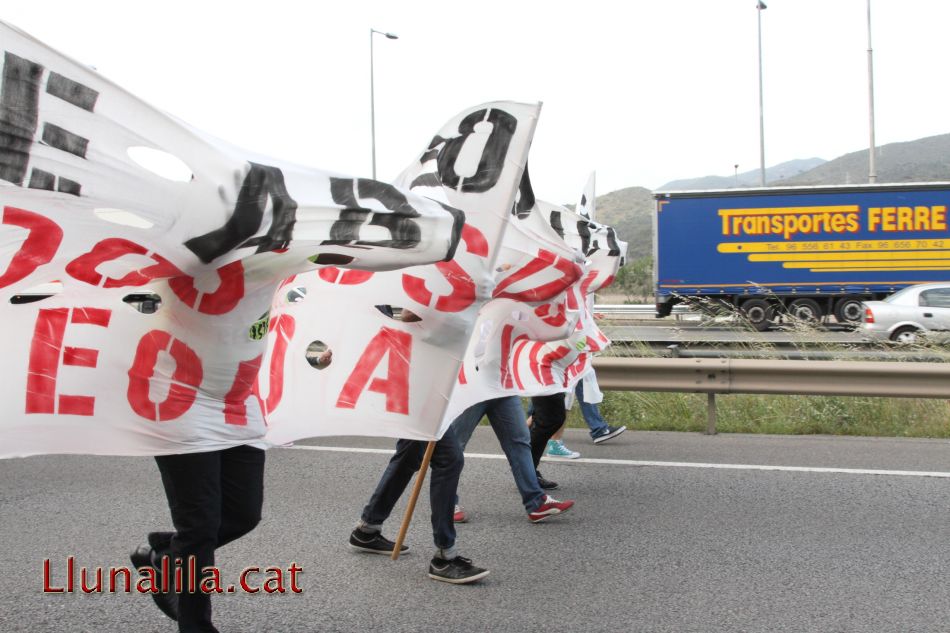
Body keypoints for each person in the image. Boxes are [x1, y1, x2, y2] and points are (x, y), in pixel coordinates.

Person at [130, 444, 265, 633]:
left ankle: (164, 558)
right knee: (199, 530)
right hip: (186, 426)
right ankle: (196, 627)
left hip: (239, 423)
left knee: (243, 515)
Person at [348, 423, 490, 585]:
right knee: (448, 459)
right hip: (425, 404)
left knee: (410, 455)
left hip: (426, 403)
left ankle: (367, 530)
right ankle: (445, 558)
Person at [453, 396, 574, 519]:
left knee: (519, 442)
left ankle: (536, 502)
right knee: (454, 444)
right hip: (474, 386)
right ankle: (446, 503)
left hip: (503, 386)